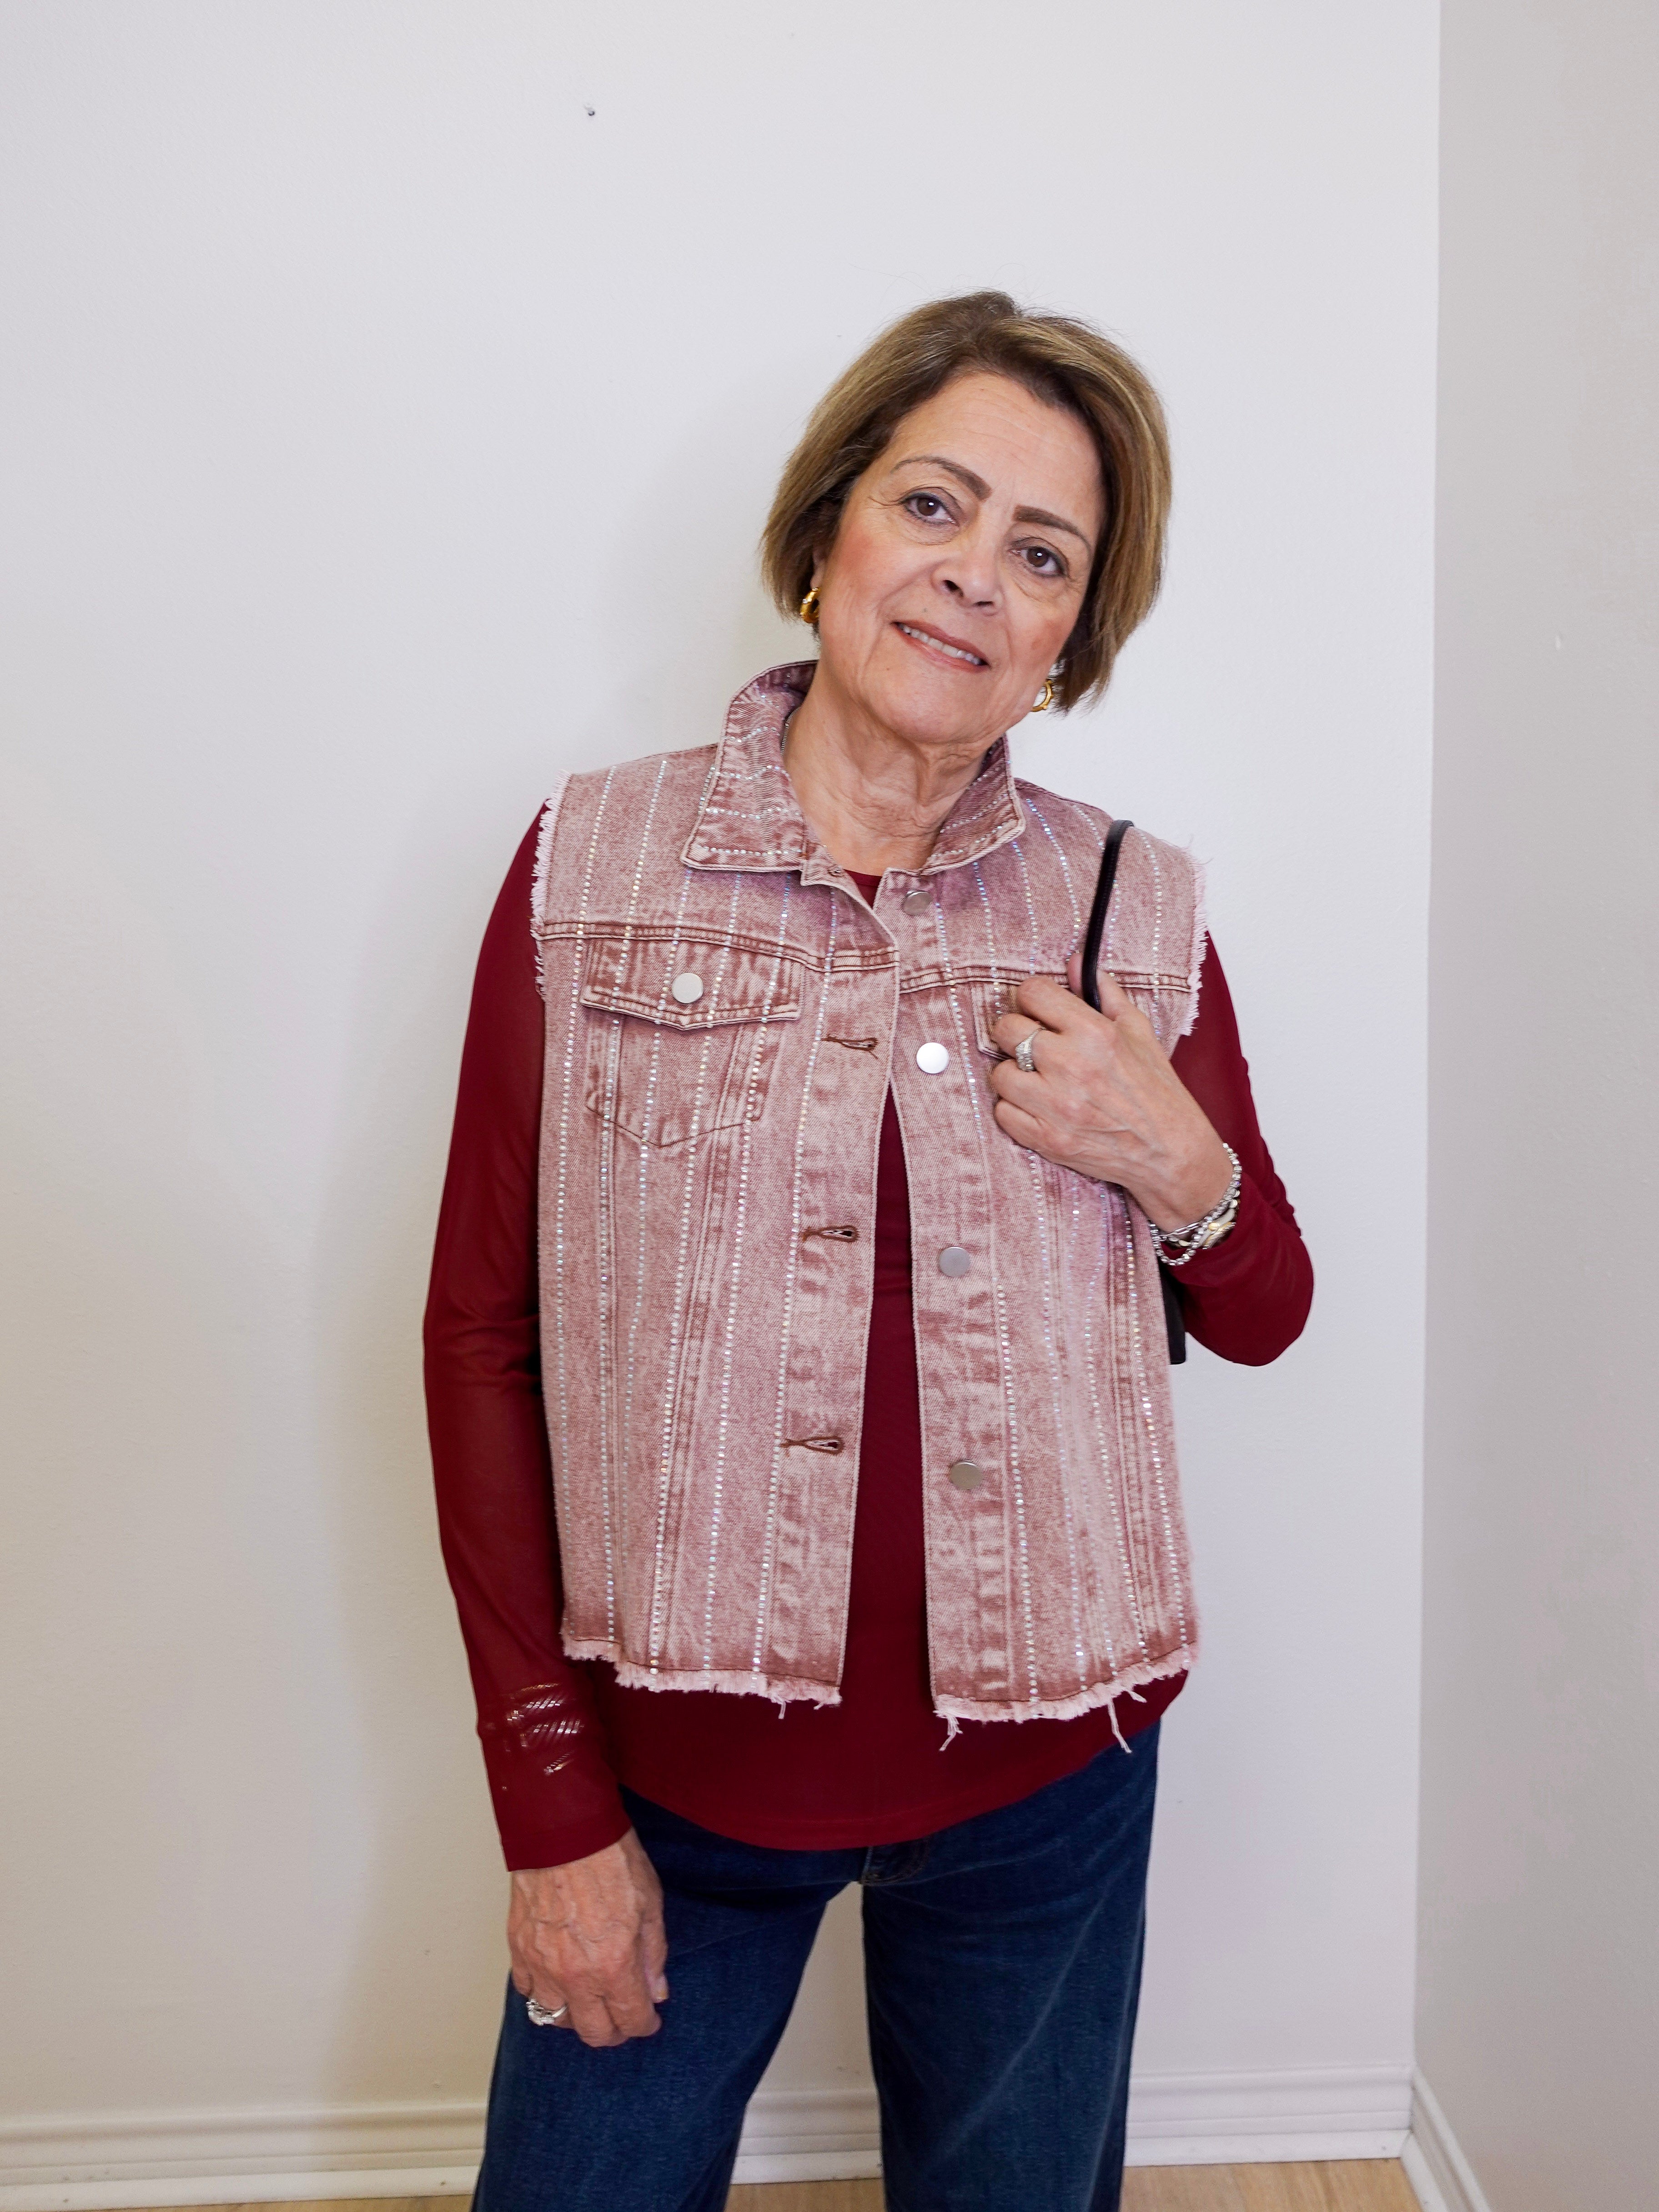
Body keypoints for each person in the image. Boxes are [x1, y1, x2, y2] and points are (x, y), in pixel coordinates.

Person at [425, 291, 1312, 2212]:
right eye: (936, 504)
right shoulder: (589, 866)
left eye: (1043, 552)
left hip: (1045, 1795)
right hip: (674, 1786)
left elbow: (1263, 1307)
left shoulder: (1129, 907)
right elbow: (481, 1339)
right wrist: (551, 1802)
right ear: (832, 526)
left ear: (1072, 634)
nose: (973, 578)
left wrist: (1178, 1154)